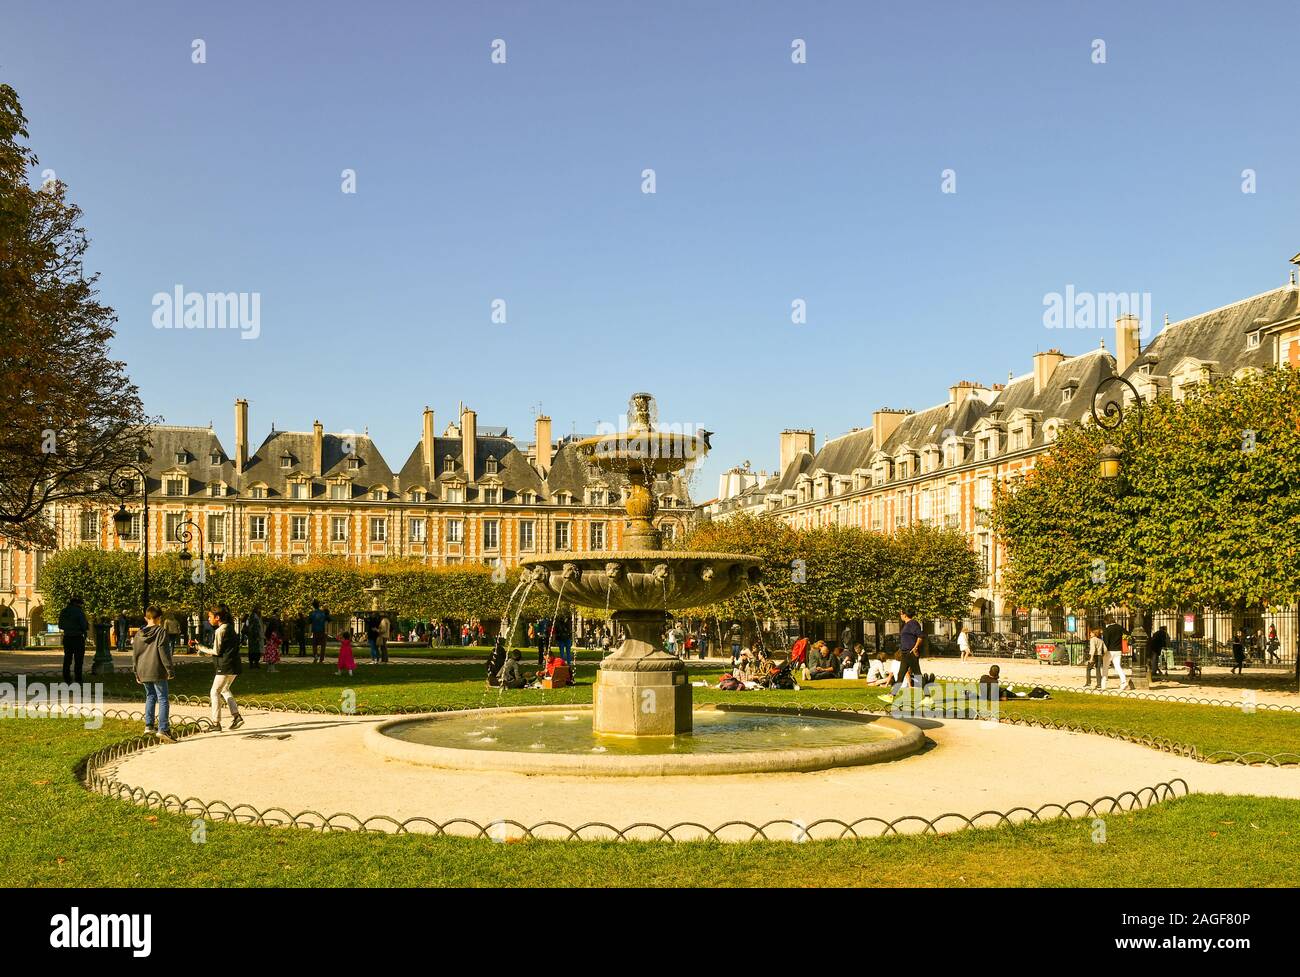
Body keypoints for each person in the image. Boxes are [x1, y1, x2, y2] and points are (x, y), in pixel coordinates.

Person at [190, 604, 244, 730]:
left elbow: (216, 651)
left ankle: (216, 723)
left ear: (217, 617)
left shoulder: (220, 630)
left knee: (214, 692)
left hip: (224, 666)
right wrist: (201, 646)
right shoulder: (230, 628)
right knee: (224, 689)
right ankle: (236, 716)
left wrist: (198, 647)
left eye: (210, 617)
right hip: (234, 665)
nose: (209, 619)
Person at [131, 605, 175, 743]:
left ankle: (149, 725)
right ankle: (164, 728)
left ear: (146, 618)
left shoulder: (139, 634)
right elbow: (163, 651)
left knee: (150, 696)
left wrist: (135, 671)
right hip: (156, 669)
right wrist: (169, 669)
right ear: (159, 618)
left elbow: (135, 654)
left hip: (143, 669)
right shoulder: (161, 632)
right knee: (162, 698)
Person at [58, 596, 89, 684]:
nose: (81, 605)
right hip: (77, 637)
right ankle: (78, 678)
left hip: (67, 637)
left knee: (67, 658)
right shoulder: (79, 612)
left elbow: (60, 625)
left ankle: (66, 677)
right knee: (78, 659)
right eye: (80, 604)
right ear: (76, 603)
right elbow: (84, 625)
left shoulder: (64, 611)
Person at [1103, 620, 1129, 691]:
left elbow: (1106, 641)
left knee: (1105, 667)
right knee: (1118, 667)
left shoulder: (1107, 629)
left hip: (1109, 650)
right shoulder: (1119, 627)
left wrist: (1104, 650)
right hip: (1118, 650)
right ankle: (1123, 682)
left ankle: (1103, 684)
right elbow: (1127, 633)